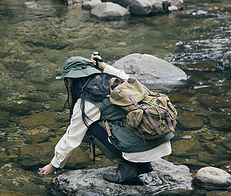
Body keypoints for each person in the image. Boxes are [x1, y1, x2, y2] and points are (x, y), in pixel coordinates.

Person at [39, 53, 174, 184]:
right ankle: (143, 165)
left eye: (66, 80)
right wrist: (103, 66)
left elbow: (72, 137)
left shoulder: (88, 100)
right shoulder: (115, 81)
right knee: (115, 121)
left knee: (90, 127)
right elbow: (124, 75)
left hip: (142, 148)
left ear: (72, 79)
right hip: (159, 139)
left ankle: (128, 168)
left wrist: (54, 165)